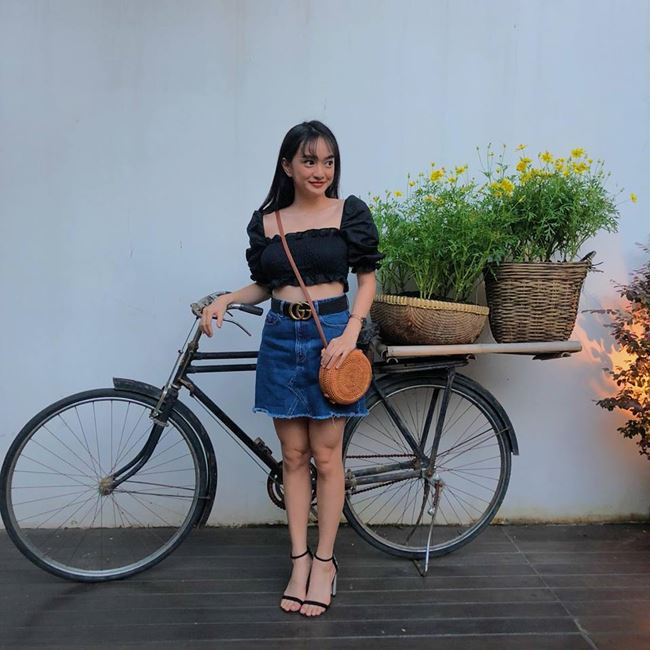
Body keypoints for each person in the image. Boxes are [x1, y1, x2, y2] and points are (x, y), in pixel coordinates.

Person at [199, 120, 384, 617]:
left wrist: (351, 332)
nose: (320, 170)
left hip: (332, 336)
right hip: (281, 336)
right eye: (309, 161)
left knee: (327, 456)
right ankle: (298, 560)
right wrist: (227, 299)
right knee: (294, 456)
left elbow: (366, 279)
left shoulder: (349, 212)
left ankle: (325, 563)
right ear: (287, 166)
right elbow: (265, 285)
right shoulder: (267, 222)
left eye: (328, 161)